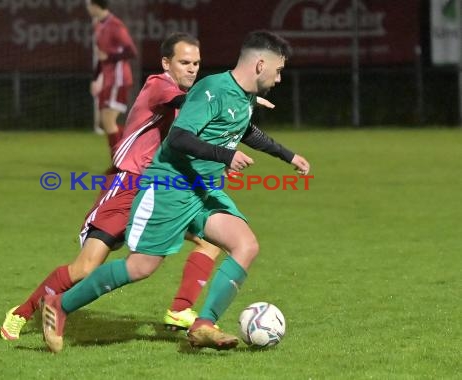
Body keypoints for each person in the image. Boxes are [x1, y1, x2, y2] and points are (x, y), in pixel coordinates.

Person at [40, 30, 311, 353]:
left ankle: (203, 324)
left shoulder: (244, 96)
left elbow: (244, 129)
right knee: (141, 267)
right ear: (260, 64)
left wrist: (288, 155)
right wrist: (226, 155)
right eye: (278, 70)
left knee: (246, 245)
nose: (279, 78)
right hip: (170, 187)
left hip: (203, 191)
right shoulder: (212, 89)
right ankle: (60, 305)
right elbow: (179, 138)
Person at [0, 33, 225, 340]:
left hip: (161, 188)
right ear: (166, 63)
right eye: (184, 62)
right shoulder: (159, 85)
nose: (192, 69)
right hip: (127, 185)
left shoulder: (182, 100)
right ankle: (22, 312)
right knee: (85, 268)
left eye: (196, 63)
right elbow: (191, 104)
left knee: (211, 240)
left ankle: (180, 309)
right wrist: (230, 99)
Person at [86, 0, 137, 155]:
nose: (88, 8)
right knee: (106, 121)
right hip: (108, 79)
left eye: (89, 5)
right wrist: (95, 79)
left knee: (108, 121)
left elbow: (131, 52)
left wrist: (109, 57)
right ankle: (127, 152)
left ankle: (120, 160)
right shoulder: (98, 25)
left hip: (118, 79)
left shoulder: (115, 25)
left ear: (95, 6)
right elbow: (101, 57)